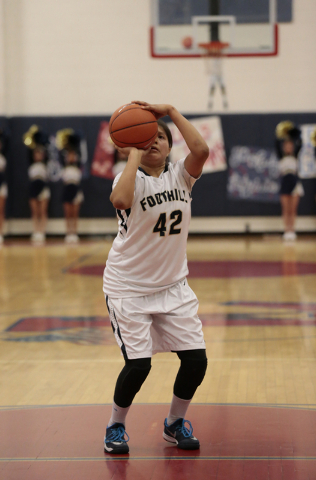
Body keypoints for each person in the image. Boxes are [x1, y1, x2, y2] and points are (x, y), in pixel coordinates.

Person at [103, 101, 209, 454]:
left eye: (160, 137)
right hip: (129, 289)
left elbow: (202, 149)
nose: (154, 141)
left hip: (173, 286)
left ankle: (175, 423)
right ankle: (115, 426)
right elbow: (119, 199)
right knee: (139, 366)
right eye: (148, 137)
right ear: (134, 144)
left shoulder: (182, 174)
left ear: (169, 144)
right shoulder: (128, 178)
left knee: (196, 361)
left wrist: (173, 112)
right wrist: (132, 152)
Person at [275, 121, 303, 242]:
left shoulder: (295, 155)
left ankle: (292, 230)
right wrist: (283, 134)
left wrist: (293, 133)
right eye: (286, 145)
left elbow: (300, 143)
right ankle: (286, 230)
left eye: (290, 145)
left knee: (293, 209)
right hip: (285, 182)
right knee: (286, 209)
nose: (288, 147)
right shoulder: (280, 156)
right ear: (283, 147)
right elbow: (276, 143)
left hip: (294, 182)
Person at [23, 125, 50, 245]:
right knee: (35, 211)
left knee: (42, 211)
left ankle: (42, 231)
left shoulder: (45, 164)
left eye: (40, 153)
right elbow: (28, 150)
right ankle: (35, 231)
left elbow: (47, 148)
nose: (38, 155)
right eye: (36, 153)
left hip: (43, 186)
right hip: (34, 186)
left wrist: (42, 140)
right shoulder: (31, 164)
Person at [56, 130, 84, 244]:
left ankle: (74, 233)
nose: (71, 157)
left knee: (75, 214)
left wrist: (75, 143)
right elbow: (59, 153)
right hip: (67, 189)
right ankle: (68, 233)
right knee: (68, 214)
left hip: (76, 189)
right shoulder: (64, 167)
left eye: (73, 155)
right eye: (69, 156)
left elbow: (81, 152)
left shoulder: (78, 167)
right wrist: (66, 144)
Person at [0, 126, 8, 245]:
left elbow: (6, 137)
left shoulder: (2, 156)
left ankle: (0, 232)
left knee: (0, 210)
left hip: (0, 184)